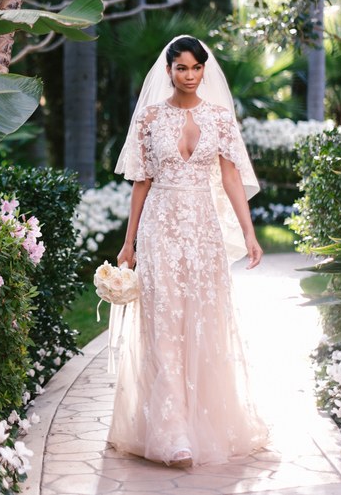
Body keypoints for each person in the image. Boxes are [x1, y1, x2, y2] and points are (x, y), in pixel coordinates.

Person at [107, 35, 270, 468]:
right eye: (181, 68)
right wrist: (129, 242)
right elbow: (141, 181)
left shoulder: (219, 118)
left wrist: (250, 234)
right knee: (164, 321)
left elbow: (232, 178)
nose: (190, 76)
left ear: (204, 69)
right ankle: (172, 431)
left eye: (196, 67)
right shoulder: (150, 119)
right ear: (168, 71)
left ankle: (206, 420)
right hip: (161, 228)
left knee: (203, 320)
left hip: (202, 232)